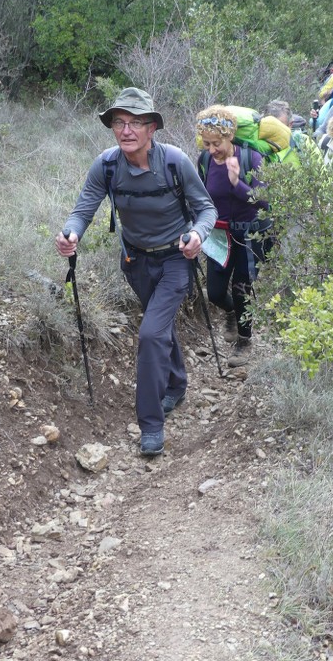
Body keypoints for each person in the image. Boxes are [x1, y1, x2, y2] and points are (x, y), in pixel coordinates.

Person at [56, 87, 217, 457]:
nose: (126, 130)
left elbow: (206, 209)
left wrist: (197, 234)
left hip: (177, 259)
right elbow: (83, 210)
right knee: (158, 329)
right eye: (119, 122)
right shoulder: (107, 166)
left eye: (135, 123)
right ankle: (176, 384)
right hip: (136, 262)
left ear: (151, 129)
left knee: (149, 335)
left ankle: (151, 424)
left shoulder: (175, 162)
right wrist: (71, 234)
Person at [195, 105, 269, 367]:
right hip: (217, 233)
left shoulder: (252, 159)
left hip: (249, 235)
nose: (212, 149)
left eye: (217, 143)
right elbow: (201, 196)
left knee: (242, 288)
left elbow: (264, 201)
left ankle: (244, 341)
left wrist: (237, 183)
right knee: (215, 292)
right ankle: (230, 312)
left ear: (230, 137)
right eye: (207, 143)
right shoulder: (204, 161)